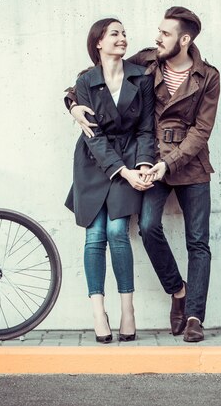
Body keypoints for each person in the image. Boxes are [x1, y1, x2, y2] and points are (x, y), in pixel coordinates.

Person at [66, 7, 220, 343]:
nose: (156, 37)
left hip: (189, 163)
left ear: (184, 39)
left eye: (165, 34)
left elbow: (202, 130)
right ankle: (177, 291)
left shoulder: (208, 76)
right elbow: (96, 75)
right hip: (149, 162)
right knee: (149, 227)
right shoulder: (147, 61)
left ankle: (194, 315)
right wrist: (71, 102)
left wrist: (168, 162)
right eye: (159, 32)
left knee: (198, 242)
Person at [64, 18, 155, 343]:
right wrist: (124, 171)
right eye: (114, 33)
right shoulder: (85, 81)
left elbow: (146, 128)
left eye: (124, 33)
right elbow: (94, 136)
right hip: (93, 163)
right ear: (98, 42)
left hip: (130, 156)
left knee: (117, 231)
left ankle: (127, 311)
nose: (122, 38)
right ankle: (98, 311)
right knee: (94, 235)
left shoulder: (140, 77)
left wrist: (141, 164)